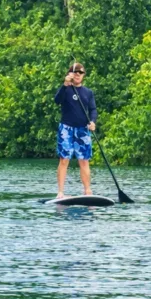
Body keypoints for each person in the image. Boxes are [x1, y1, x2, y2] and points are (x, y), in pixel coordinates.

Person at [54, 62, 97, 198]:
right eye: (75, 72)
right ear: (70, 74)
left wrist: (93, 122)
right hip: (66, 128)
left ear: (83, 75)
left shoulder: (88, 92)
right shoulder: (65, 89)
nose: (78, 75)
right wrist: (65, 84)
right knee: (64, 159)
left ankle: (87, 191)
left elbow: (93, 110)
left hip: (82, 130)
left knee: (84, 160)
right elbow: (57, 100)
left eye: (81, 73)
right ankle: (60, 192)